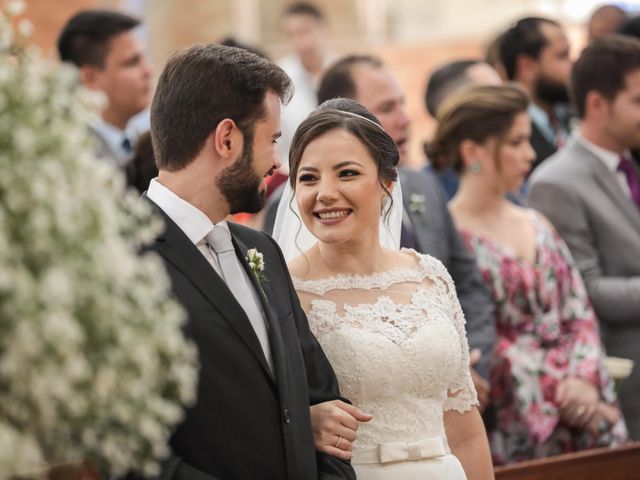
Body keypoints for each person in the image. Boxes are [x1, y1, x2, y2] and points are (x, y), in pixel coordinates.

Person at [140, 43, 361, 480]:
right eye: (273, 140)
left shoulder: (262, 251)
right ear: (227, 139)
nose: (277, 161)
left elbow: (323, 400)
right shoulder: (127, 259)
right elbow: (134, 452)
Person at [275, 97, 494, 480]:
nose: (324, 192)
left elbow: (465, 431)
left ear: (387, 183)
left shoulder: (430, 275)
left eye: (346, 173)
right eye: (309, 178)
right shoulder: (285, 291)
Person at [429, 84, 627, 464]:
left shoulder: (537, 222)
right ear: (473, 151)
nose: (530, 154)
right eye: (516, 142)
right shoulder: (450, 240)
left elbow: (578, 311)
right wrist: (560, 389)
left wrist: (585, 379)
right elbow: (480, 338)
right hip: (512, 425)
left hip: (585, 412)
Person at [307, 54, 496, 403]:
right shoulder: (306, 207)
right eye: (387, 108)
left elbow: (468, 282)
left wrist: (467, 360)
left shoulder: (424, 187)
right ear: (344, 120)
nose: (405, 120)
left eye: (403, 105)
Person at [529, 35, 640, 440]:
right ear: (597, 104)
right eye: (638, 100)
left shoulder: (630, 161)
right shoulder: (556, 183)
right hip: (626, 385)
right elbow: (584, 290)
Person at [57, 10, 152, 169]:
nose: (148, 70)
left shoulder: (144, 145)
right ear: (89, 78)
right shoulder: (71, 157)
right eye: (132, 62)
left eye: (144, 58)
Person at [499, 16, 573, 172]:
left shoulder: (572, 113)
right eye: (562, 55)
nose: (572, 65)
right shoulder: (503, 129)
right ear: (528, 67)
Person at [423, 59, 502, 198]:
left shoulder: (509, 173)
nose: (508, 108)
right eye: (493, 98)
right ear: (456, 109)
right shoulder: (425, 192)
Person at [277, 2, 335, 168]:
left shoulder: (343, 72)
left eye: (306, 31)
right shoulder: (279, 78)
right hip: (292, 173)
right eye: (292, 34)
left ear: (323, 30)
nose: (302, 42)